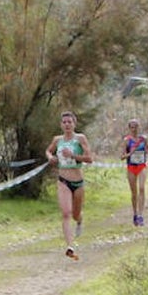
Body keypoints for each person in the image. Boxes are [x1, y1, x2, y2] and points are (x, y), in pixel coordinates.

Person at [45, 111, 93, 260]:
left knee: (75, 214)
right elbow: (48, 150)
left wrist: (72, 156)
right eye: (64, 122)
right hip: (63, 181)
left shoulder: (80, 139)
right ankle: (70, 246)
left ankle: (79, 220)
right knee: (66, 213)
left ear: (74, 124)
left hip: (78, 182)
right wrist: (51, 157)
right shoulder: (57, 140)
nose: (67, 124)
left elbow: (89, 158)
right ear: (61, 124)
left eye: (69, 122)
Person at [120, 118, 148, 227]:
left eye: (136, 127)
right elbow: (121, 156)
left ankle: (140, 215)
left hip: (142, 166)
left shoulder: (143, 139)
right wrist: (130, 154)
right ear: (129, 128)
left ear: (139, 127)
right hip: (131, 167)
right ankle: (134, 213)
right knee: (134, 192)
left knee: (142, 188)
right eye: (132, 127)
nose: (134, 129)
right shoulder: (127, 140)